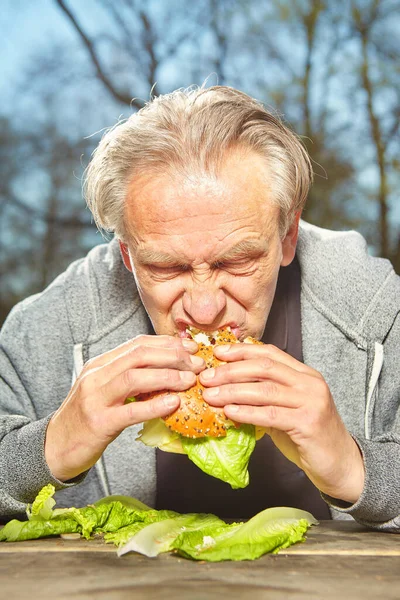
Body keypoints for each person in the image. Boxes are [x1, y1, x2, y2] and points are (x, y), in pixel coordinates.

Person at [0, 86, 399, 531]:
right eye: (166, 267)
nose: (205, 309)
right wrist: (47, 448)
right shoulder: (43, 329)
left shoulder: (377, 310)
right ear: (128, 255)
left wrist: (354, 468)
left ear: (287, 237)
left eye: (237, 261)